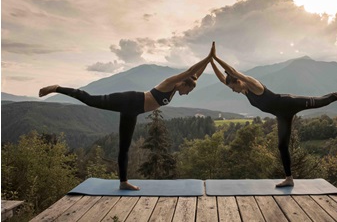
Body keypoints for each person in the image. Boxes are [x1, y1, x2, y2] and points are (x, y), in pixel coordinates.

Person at [39, 42, 216, 190]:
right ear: (181, 83)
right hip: (129, 99)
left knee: (124, 146)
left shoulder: (178, 88)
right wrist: (208, 57)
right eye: (187, 90)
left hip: (133, 112)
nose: (186, 94)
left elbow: (195, 75)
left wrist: (209, 62)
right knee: (90, 100)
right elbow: (191, 70)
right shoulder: (170, 83)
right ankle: (56, 88)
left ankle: (123, 182)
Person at [209, 44, 337, 187]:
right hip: (282, 115)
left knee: (324, 100)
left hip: (290, 103)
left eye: (232, 88)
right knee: (282, 146)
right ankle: (289, 178)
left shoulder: (253, 84)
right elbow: (224, 78)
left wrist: (216, 57)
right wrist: (210, 62)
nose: (232, 90)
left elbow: (233, 72)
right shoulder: (243, 90)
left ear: (238, 82)